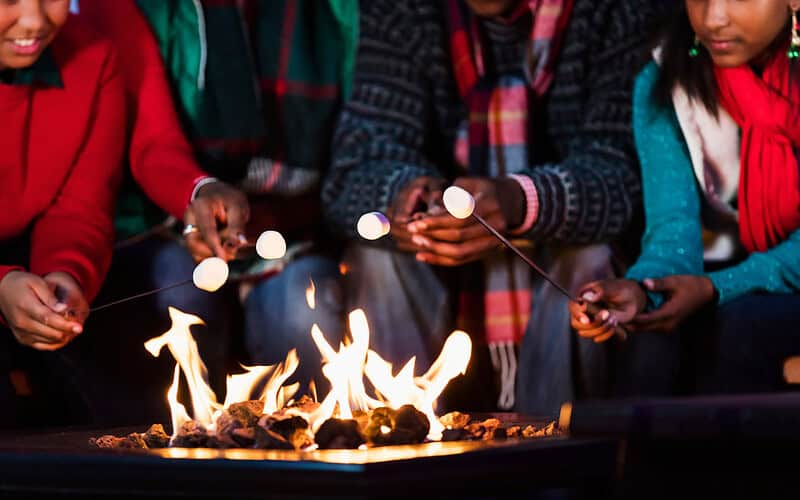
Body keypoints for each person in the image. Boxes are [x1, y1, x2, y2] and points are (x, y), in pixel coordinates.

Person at [324, 0, 670, 414]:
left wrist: (518, 201)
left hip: (557, 263)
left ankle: (555, 443)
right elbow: (354, 169)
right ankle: (402, 433)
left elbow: (624, 174)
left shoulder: (617, 11)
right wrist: (407, 198)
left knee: (588, 261)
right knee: (379, 257)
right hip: (447, 279)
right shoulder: (406, 10)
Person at [570, 0, 800, 397]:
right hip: (738, 272)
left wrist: (715, 287)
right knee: (649, 336)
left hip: (761, 279)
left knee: (741, 326)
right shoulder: (668, 79)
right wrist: (644, 291)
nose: (713, 18)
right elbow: (672, 230)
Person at [0, 0, 125, 426]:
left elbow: (80, 206)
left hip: (29, 264)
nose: (35, 20)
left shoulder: (93, 56)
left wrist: (66, 274)